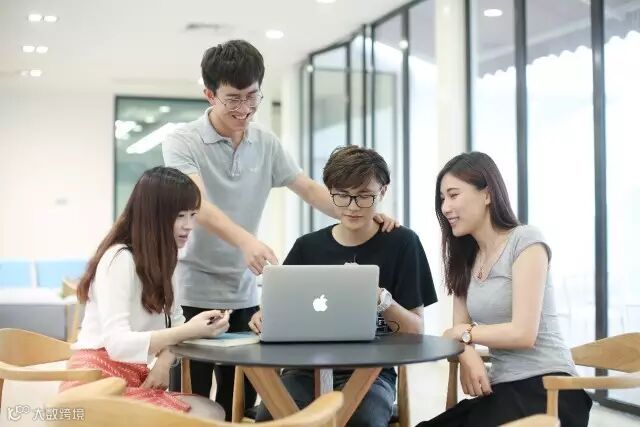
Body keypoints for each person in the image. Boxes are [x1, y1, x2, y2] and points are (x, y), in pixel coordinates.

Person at [162, 39, 397, 419]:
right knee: (191, 403)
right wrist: (246, 241)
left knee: (245, 402)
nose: (244, 109)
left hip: (244, 293)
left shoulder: (265, 142)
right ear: (209, 94)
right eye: (233, 99)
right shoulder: (182, 141)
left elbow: (308, 189)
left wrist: (359, 209)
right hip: (192, 289)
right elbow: (198, 204)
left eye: (252, 97)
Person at [249, 146, 437, 427]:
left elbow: (415, 330)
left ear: (383, 192)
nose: (352, 206)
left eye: (364, 196)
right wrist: (262, 317)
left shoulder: (402, 243)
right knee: (274, 418)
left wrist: (381, 299)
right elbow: (274, 312)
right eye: (342, 195)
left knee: (361, 421)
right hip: (303, 371)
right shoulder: (306, 247)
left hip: (372, 373)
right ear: (330, 192)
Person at [417, 152, 591, 427]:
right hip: (501, 389)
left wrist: (463, 335)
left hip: (549, 388)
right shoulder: (464, 259)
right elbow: (456, 330)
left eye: (453, 195)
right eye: (442, 199)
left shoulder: (525, 241)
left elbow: (523, 334)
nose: (445, 207)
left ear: (487, 194)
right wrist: (466, 351)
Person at [63, 167, 229, 419]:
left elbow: (176, 323)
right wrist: (190, 330)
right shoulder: (119, 259)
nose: (189, 226)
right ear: (154, 215)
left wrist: (164, 361)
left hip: (131, 378)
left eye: (193, 215)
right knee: (207, 413)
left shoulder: (166, 261)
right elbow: (118, 344)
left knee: (211, 410)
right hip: (94, 383)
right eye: (180, 216)